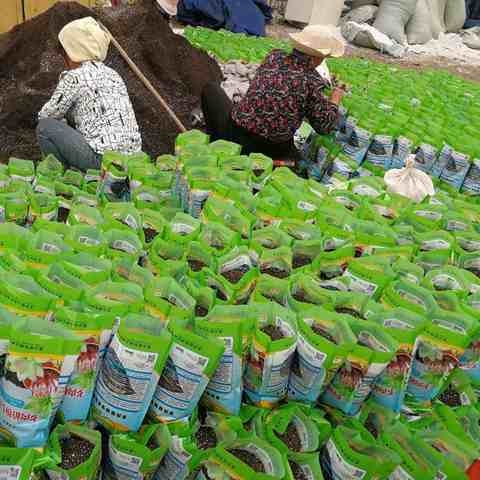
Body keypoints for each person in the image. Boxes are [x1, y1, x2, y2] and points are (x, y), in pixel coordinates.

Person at [201, 25, 346, 160]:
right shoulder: (313, 82)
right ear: (316, 57)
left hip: (234, 132)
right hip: (268, 151)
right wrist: (335, 98)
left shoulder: (274, 56)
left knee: (211, 89)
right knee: (296, 161)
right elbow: (325, 127)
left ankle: (218, 143)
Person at [37, 17, 142, 172]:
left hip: (102, 161)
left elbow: (46, 116)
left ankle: (62, 176)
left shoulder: (75, 77)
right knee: (73, 117)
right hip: (134, 161)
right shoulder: (112, 74)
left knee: (45, 127)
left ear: (73, 52)